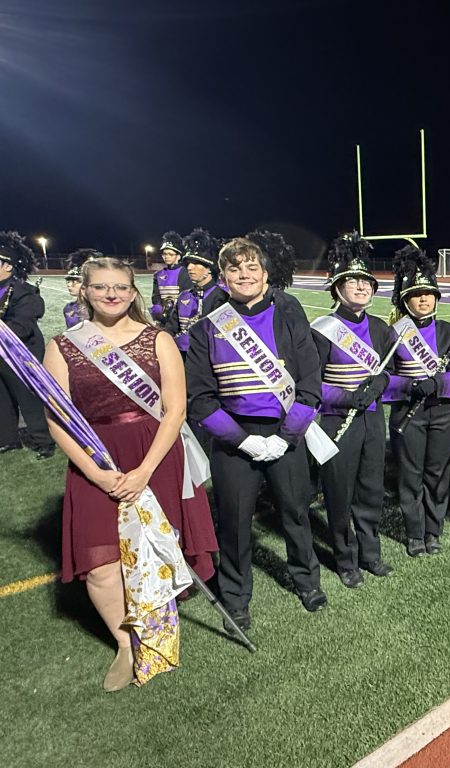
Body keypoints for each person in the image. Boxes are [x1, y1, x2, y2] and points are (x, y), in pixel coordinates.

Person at [42, 256, 217, 691]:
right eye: (101, 287)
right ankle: (124, 643)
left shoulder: (157, 339)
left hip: (152, 452)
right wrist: (96, 474)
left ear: (134, 291)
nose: (112, 294)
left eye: (120, 286)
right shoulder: (63, 345)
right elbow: (56, 420)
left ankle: (158, 631)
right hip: (95, 458)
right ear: (84, 290)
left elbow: (175, 411)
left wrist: (143, 471)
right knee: (100, 564)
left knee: (158, 549)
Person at [187, 236, 326, 629]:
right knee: (233, 520)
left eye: (251, 268)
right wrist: (242, 440)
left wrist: (286, 435)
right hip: (234, 439)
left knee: (297, 511)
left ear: (265, 275)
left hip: (286, 433)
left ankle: (307, 580)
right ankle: (235, 595)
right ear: (223, 276)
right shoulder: (207, 327)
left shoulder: (289, 311)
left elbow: (310, 381)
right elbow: (199, 397)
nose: (243, 275)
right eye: (234, 269)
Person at [312, 232, 395, 587]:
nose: (361, 287)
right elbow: (311, 384)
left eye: (366, 281)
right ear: (337, 287)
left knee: (371, 489)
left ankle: (370, 554)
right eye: (352, 281)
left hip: (373, 420)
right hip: (337, 421)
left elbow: (389, 369)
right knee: (340, 493)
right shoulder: (321, 330)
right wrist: (346, 398)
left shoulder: (379, 327)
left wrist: (381, 383)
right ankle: (346, 560)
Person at [382, 245, 450, 557]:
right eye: (417, 294)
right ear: (405, 299)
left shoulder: (449, 331)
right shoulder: (393, 334)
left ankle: (434, 531)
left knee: (437, 473)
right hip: (408, 413)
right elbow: (386, 377)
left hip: (443, 413)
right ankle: (415, 533)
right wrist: (411, 385)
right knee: (411, 475)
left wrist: (438, 382)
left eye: (429, 293)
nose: (423, 299)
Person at [0, 231, 56, 458]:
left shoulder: (24, 292)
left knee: (28, 399)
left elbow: (22, 326)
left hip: (20, 354)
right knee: (1, 397)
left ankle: (44, 441)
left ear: (8, 267)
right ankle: (7, 439)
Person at [162, 228, 228, 359]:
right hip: (181, 358)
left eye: (197, 263)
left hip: (207, 362)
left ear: (209, 269)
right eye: (188, 263)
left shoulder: (222, 297)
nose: (190, 267)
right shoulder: (183, 296)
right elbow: (171, 329)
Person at [150, 231, 192, 321]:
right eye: (164, 254)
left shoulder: (185, 272)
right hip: (163, 317)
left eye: (170, 254)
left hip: (180, 316)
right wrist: (158, 306)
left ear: (179, 256)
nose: (167, 256)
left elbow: (187, 296)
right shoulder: (158, 275)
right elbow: (156, 295)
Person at [62, 249, 101, 328]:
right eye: (68, 281)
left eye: (77, 281)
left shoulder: (102, 308)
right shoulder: (68, 308)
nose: (69, 285)